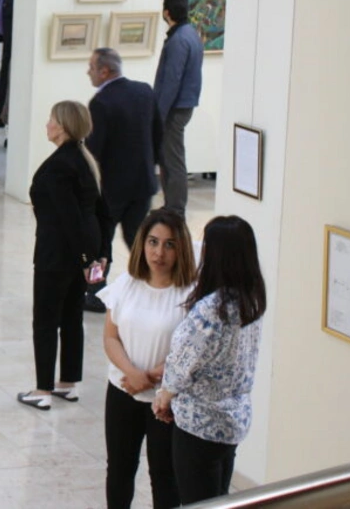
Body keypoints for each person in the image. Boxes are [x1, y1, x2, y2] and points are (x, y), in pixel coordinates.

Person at [154, 216, 266, 503]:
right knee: (219, 498)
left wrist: (164, 399)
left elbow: (181, 363)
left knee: (197, 501)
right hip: (234, 420)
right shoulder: (251, 299)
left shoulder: (211, 310)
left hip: (199, 424)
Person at [100, 208, 197, 509]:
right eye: (153, 242)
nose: (159, 252)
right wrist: (133, 373)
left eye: (169, 244)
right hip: (123, 390)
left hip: (166, 400)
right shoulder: (127, 283)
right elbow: (110, 336)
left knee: (165, 477)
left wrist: (150, 377)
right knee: (119, 470)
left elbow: (192, 351)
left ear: (181, 247)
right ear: (142, 243)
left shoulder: (192, 293)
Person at [18, 100, 103, 410]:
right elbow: (96, 213)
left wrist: (84, 259)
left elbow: (71, 218)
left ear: (63, 127)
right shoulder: (83, 159)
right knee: (70, 318)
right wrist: (95, 256)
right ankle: (67, 383)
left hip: (57, 256)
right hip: (80, 255)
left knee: (45, 321)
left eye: (51, 119)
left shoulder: (59, 166)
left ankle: (42, 390)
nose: (47, 124)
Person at [84, 48, 164, 313]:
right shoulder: (144, 92)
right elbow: (158, 135)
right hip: (141, 184)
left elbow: (94, 151)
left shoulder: (101, 102)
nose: (89, 73)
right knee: (139, 239)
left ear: (104, 71)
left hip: (110, 190)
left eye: (91, 68)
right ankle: (155, 285)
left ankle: (95, 292)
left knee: (97, 244)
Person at [153, 0, 204, 215]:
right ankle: (172, 205)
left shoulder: (178, 40)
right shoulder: (191, 34)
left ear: (166, 12)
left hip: (175, 108)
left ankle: (174, 208)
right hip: (184, 104)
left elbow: (171, 81)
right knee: (170, 156)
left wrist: (159, 114)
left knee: (172, 159)